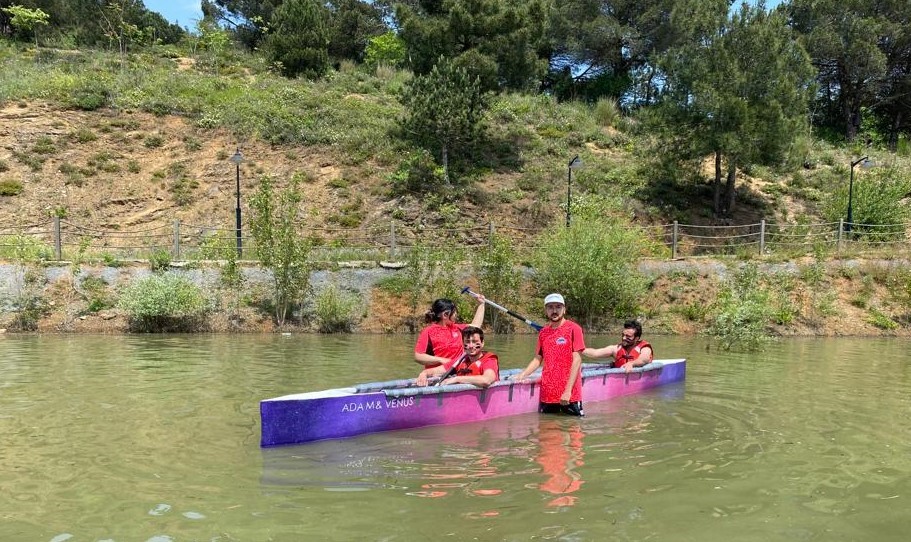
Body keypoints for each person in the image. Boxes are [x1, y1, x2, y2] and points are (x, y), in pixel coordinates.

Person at [514, 293, 586, 416]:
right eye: (550, 307)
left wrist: (567, 391)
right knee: (547, 432)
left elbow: (577, 360)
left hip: (570, 395)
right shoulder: (543, 333)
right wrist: (522, 374)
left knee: (574, 431)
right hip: (548, 394)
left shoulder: (574, 329)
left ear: (564, 309)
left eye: (558, 307)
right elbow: (537, 359)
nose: (554, 311)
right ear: (546, 310)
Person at [414, 295, 486, 368]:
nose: (456, 314)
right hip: (437, 374)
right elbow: (418, 356)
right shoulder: (428, 331)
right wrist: (441, 360)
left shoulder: (458, 328)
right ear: (445, 315)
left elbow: (476, 326)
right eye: (454, 312)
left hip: (457, 370)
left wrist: (481, 304)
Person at [415, 326, 499, 388]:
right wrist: (424, 374)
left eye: (474, 342)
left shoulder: (489, 360)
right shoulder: (460, 360)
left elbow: (487, 380)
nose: (470, 346)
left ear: (482, 343)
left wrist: (457, 379)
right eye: (467, 342)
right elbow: (435, 371)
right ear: (463, 343)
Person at [583, 319, 653, 373]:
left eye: (628, 336)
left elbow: (644, 359)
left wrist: (631, 363)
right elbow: (595, 353)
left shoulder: (645, 348)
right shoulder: (616, 349)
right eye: (623, 335)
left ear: (637, 338)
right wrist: (579, 348)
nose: (624, 338)